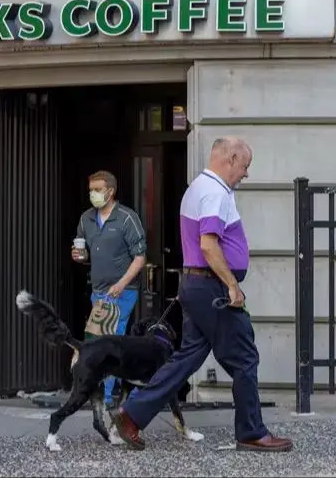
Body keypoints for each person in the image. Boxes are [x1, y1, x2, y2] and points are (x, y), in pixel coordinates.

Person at [111, 137, 293, 452]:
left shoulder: (197, 186)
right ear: (232, 159)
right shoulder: (215, 192)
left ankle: (131, 415)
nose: (246, 174)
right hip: (212, 288)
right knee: (245, 357)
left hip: (196, 286)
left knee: (187, 357)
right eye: (245, 166)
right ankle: (251, 432)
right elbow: (209, 245)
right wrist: (232, 286)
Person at [72, 170, 146, 408]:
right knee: (98, 340)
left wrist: (122, 284)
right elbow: (86, 255)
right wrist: (78, 256)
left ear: (110, 191)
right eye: (90, 190)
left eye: (97, 190)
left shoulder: (126, 218)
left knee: (108, 341)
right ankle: (100, 390)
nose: (93, 194)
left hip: (123, 291)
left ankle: (103, 396)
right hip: (99, 291)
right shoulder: (86, 219)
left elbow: (140, 257)